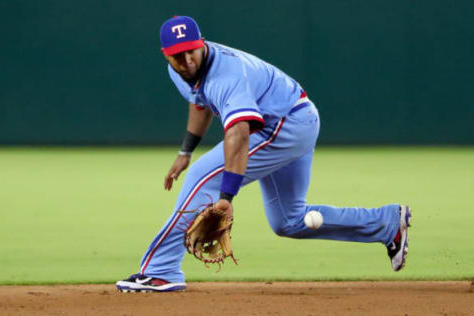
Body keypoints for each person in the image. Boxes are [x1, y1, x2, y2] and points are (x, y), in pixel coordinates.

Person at [116, 16, 411, 293]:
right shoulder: (180, 70)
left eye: (191, 51)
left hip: (284, 123)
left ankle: (161, 270)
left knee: (203, 177)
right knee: (289, 221)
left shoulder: (226, 75)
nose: (187, 60)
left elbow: (239, 134)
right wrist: (185, 151)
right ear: (165, 54)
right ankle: (385, 223)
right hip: (296, 117)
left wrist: (226, 198)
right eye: (177, 55)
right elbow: (200, 102)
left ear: (202, 42)